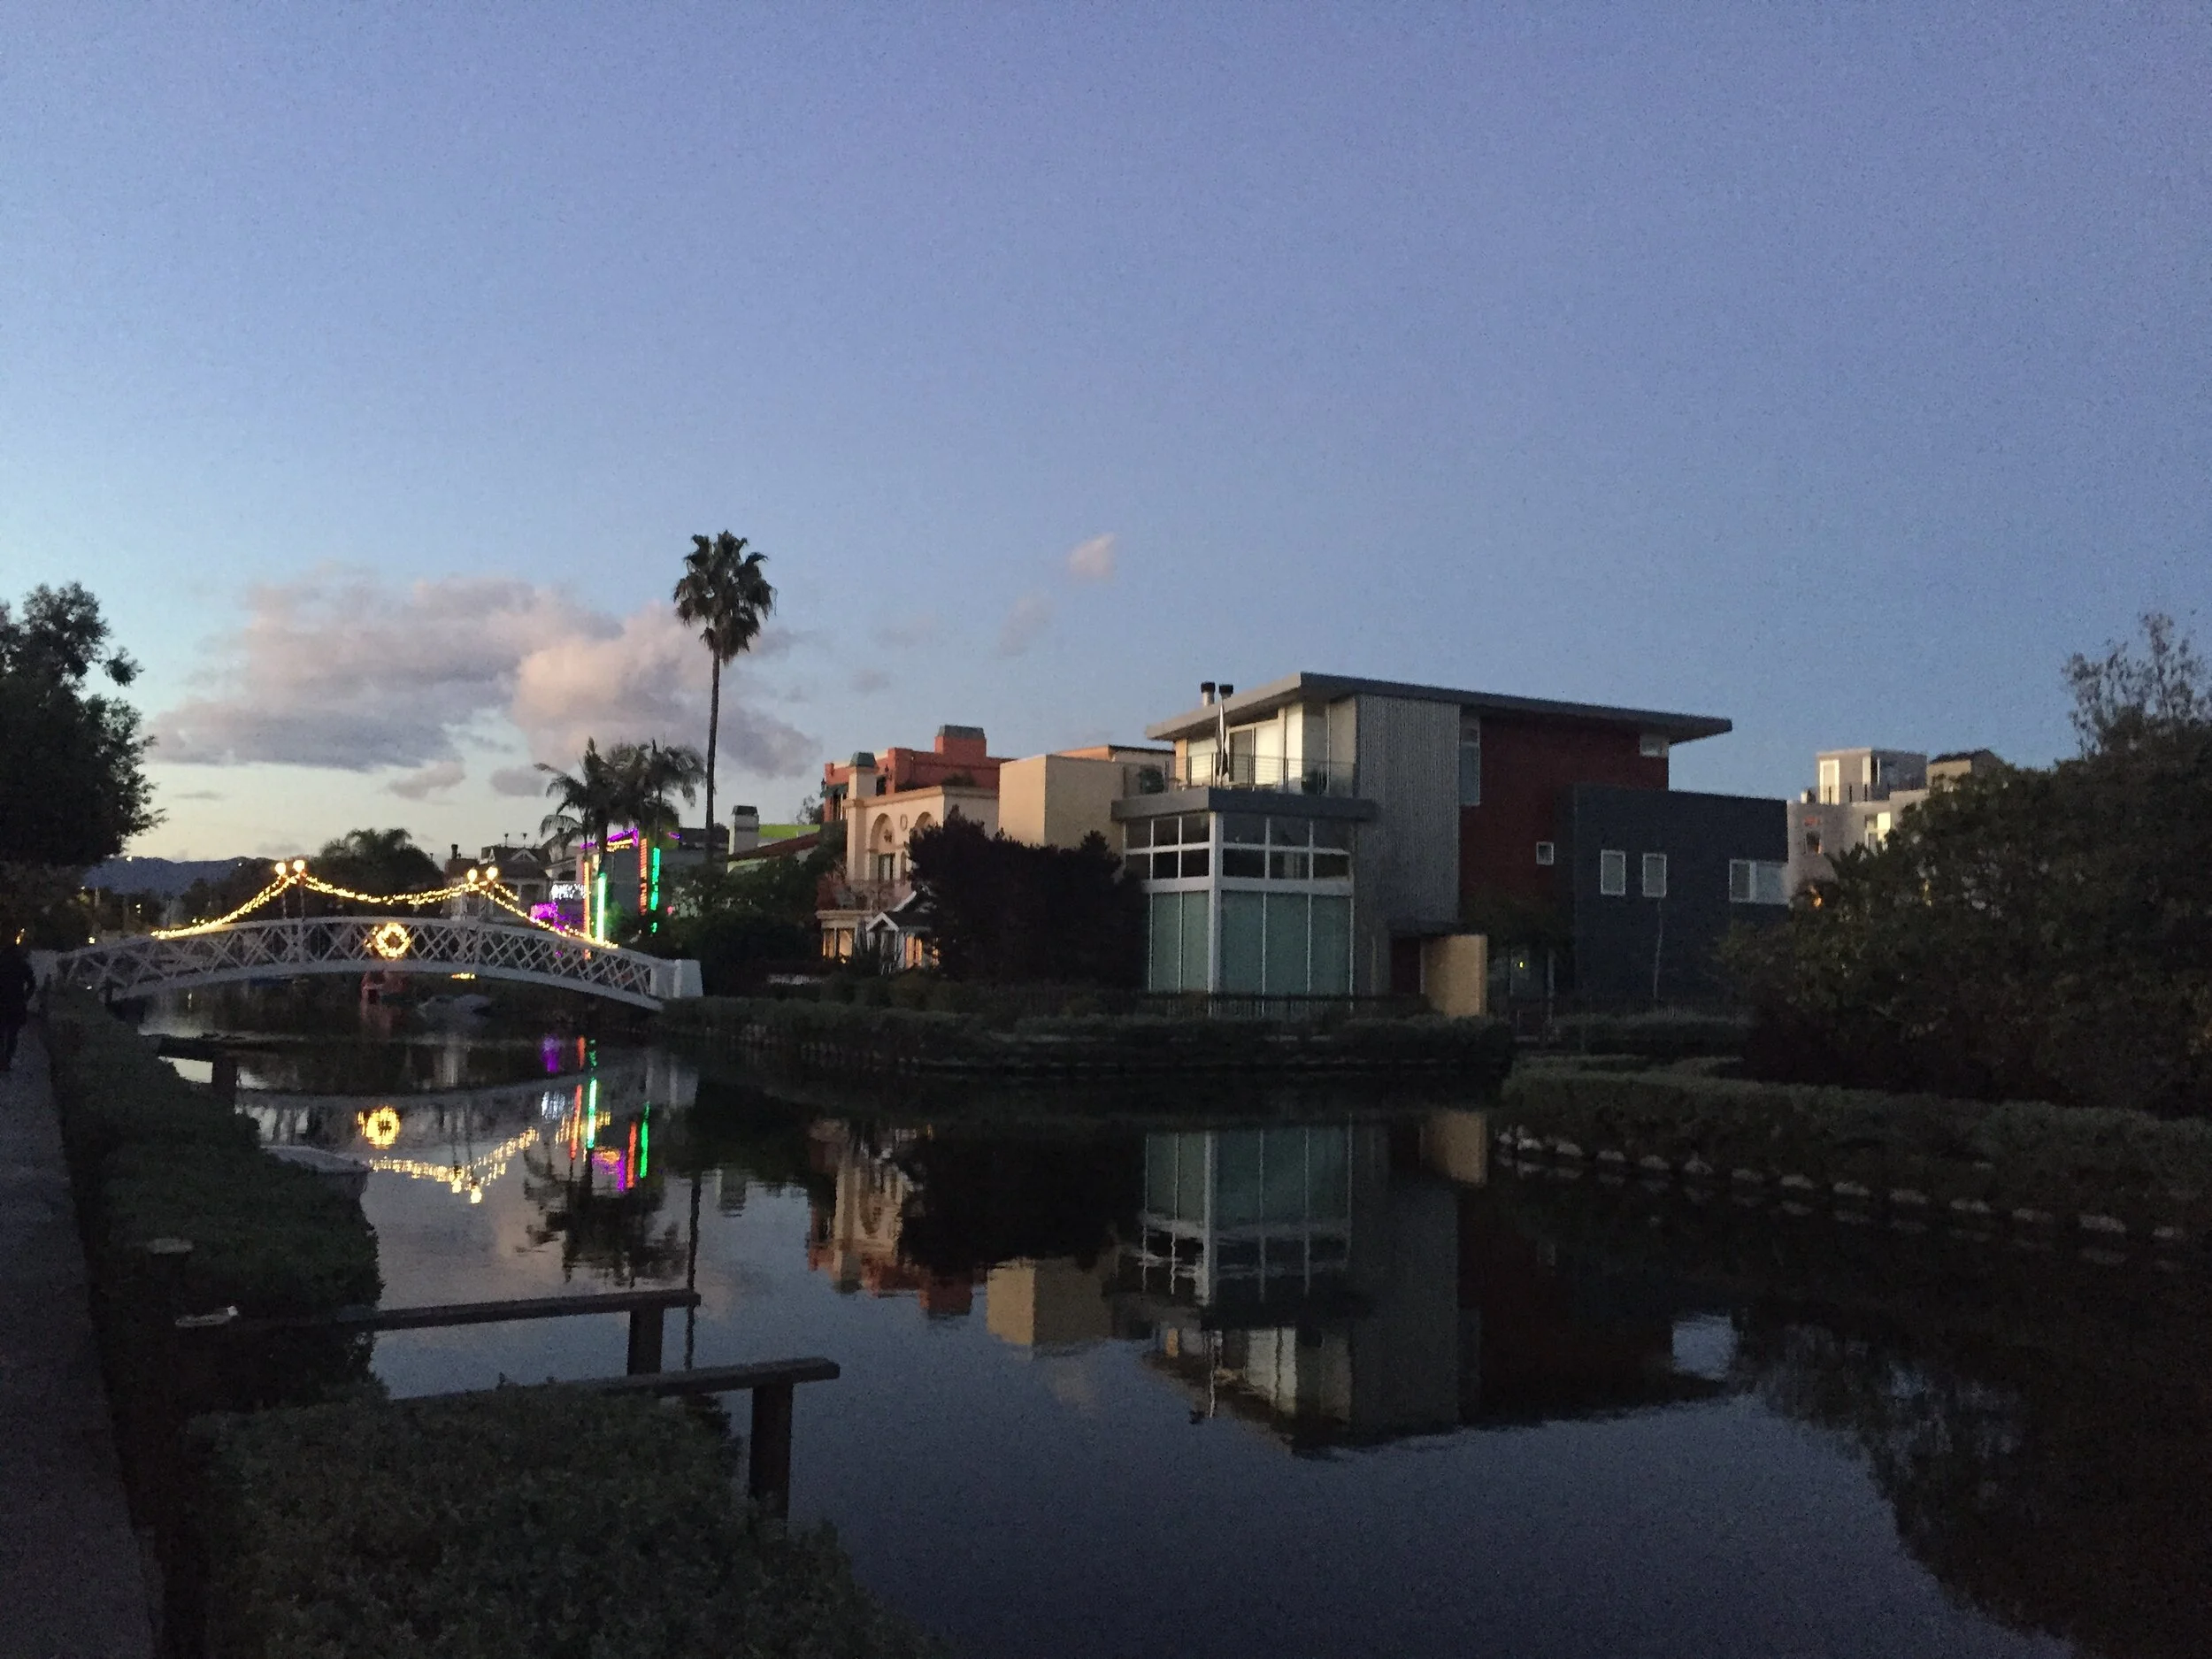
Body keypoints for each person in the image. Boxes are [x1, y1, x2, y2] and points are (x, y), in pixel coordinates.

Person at [0, 937, 35, 1074]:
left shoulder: (1, 962)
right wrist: (25, 998)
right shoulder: (23, 964)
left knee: (1, 1034)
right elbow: (32, 984)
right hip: (16, 1004)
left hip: (1, 1003)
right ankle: (7, 1060)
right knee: (12, 1035)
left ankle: (2, 1059)